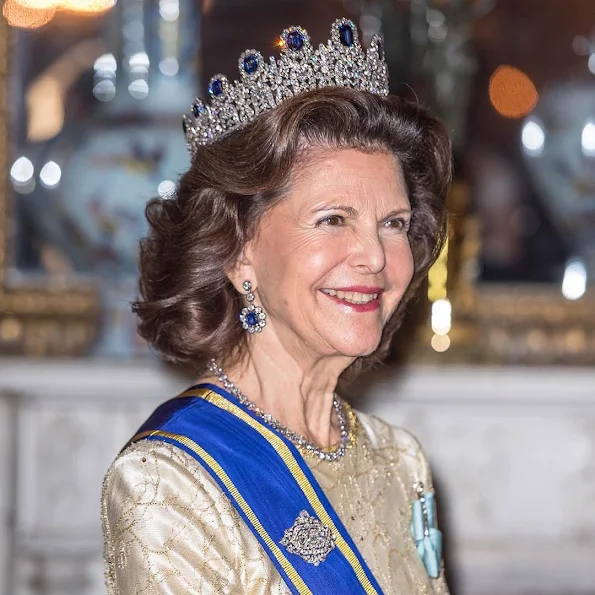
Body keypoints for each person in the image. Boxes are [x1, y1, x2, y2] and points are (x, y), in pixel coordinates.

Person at [102, 17, 452, 595]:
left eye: (393, 224)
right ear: (238, 254)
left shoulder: (400, 460)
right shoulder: (169, 479)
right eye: (333, 220)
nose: (374, 255)